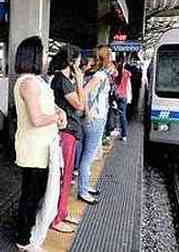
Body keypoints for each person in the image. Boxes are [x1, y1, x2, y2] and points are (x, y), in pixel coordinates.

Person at [13, 36, 67, 251]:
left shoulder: (37, 81)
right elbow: (36, 119)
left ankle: (26, 232)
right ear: (34, 55)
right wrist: (56, 118)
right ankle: (24, 239)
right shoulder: (28, 83)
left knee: (35, 192)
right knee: (32, 194)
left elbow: (47, 108)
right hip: (34, 148)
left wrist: (59, 112)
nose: (46, 57)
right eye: (44, 52)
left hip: (43, 145)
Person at [49, 45, 85, 233]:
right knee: (62, 177)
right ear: (71, 62)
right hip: (66, 133)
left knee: (67, 176)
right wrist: (80, 81)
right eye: (78, 59)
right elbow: (80, 106)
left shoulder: (60, 79)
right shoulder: (63, 81)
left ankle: (62, 212)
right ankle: (56, 218)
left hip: (68, 132)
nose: (81, 63)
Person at [77, 45, 113, 205]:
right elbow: (84, 91)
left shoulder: (95, 73)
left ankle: (85, 186)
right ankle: (83, 191)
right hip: (95, 118)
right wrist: (88, 112)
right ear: (107, 57)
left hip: (93, 118)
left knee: (87, 154)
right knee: (88, 156)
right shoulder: (99, 75)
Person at [113, 55, 132, 141]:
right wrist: (129, 98)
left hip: (115, 96)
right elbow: (129, 87)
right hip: (124, 96)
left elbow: (112, 85)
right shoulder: (127, 73)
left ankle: (113, 130)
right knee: (123, 115)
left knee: (114, 113)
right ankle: (124, 135)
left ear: (116, 63)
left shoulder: (114, 73)